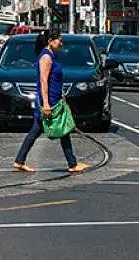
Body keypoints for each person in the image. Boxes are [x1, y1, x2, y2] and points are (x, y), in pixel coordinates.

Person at [13, 29, 89, 174]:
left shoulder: (52, 56)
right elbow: (43, 81)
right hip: (49, 101)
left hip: (54, 98)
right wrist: (46, 104)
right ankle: (72, 163)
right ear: (50, 41)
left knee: (39, 130)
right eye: (59, 40)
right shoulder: (46, 57)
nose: (61, 43)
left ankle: (19, 160)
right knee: (63, 130)